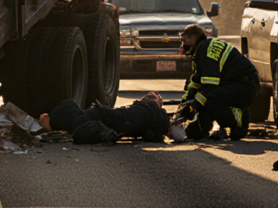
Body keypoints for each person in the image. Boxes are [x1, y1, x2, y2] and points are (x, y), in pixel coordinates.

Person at [175, 24, 260, 140]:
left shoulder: (206, 52)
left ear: (193, 38)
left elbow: (209, 88)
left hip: (245, 86)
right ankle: (204, 128)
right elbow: (196, 83)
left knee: (211, 99)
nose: (182, 45)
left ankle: (238, 120)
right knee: (194, 129)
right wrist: (185, 103)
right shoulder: (202, 50)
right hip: (239, 83)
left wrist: (194, 106)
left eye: (184, 41)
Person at [38, 92, 172, 144]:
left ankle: (50, 124)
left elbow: (154, 102)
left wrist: (155, 99)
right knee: (78, 118)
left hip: (104, 117)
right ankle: (101, 133)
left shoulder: (151, 108)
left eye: (155, 96)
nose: (149, 95)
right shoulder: (150, 117)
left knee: (68, 105)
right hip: (105, 119)